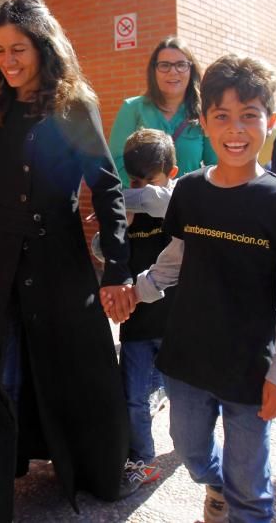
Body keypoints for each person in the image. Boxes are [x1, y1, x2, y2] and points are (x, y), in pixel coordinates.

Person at [0, 0, 134, 522]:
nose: (8, 61)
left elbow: (107, 187)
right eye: (0, 50)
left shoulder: (73, 106)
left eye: (18, 49)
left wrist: (116, 266)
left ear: (43, 47)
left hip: (58, 258)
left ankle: (89, 466)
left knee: (70, 363)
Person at [104, 54, 276, 523]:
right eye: (221, 116)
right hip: (186, 362)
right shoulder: (190, 192)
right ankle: (215, 485)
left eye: (249, 116)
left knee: (252, 493)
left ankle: (238, 501)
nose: (235, 129)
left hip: (248, 370)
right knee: (193, 454)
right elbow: (173, 262)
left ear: (272, 120)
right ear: (204, 122)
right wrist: (134, 291)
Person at [114, 128, 179, 487]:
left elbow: (162, 202)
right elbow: (102, 251)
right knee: (133, 399)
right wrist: (117, 223)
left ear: (172, 173)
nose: (140, 189)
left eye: (148, 181)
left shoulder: (179, 204)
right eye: (134, 180)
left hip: (175, 327)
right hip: (137, 326)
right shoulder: (128, 211)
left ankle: (195, 445)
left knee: (186, 404)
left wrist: (129, 198)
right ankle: (143, 459)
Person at [108, 36, 217, 187]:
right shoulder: (132, 108)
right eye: (164, 65)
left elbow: (214, 164)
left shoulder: (203, 113)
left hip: (188, 205)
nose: (173, 72)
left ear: (191, 70)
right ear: (154, 71)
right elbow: (116, 163)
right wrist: (148, 191)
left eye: (181, 65)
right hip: (140, 205)